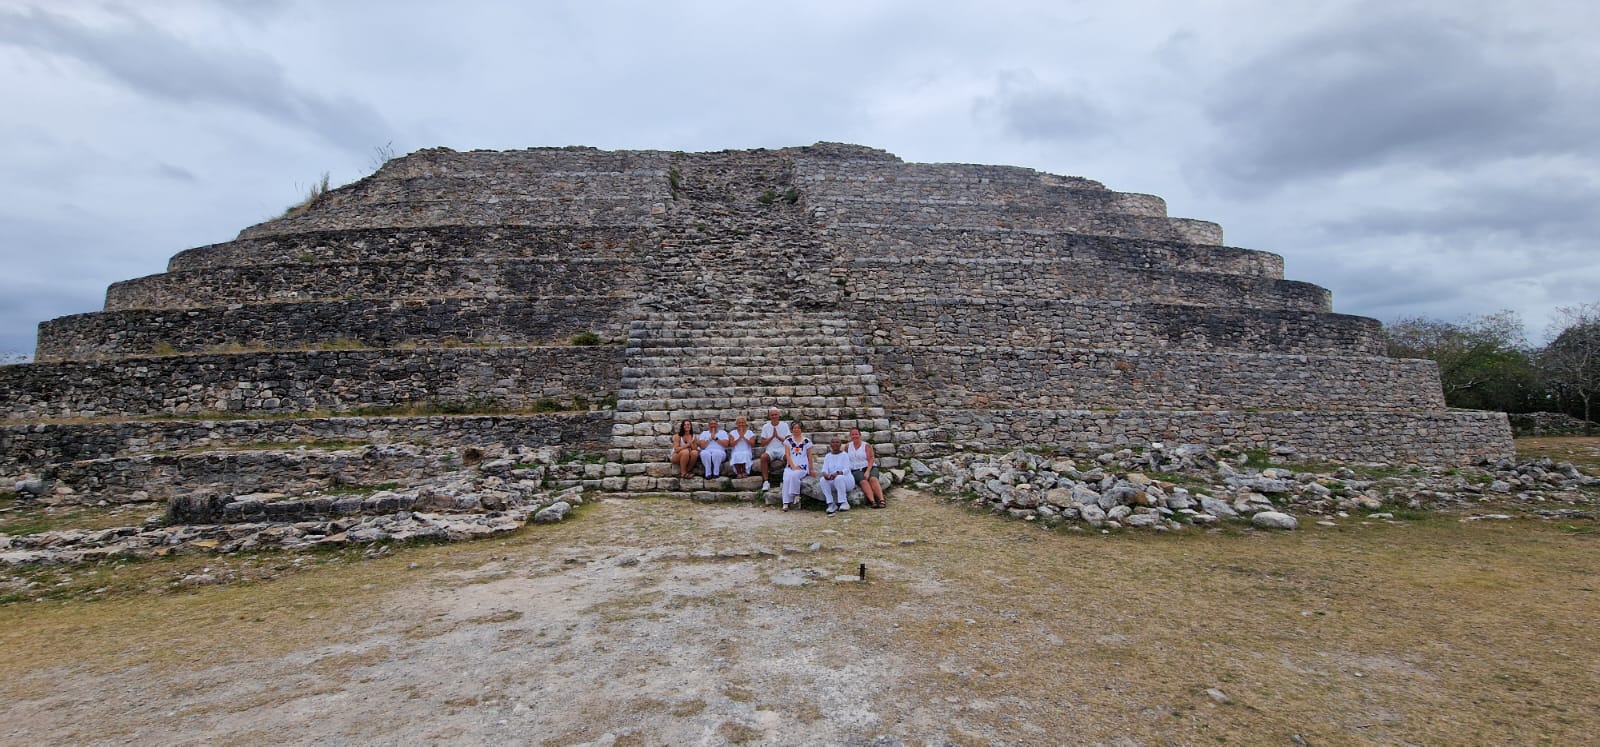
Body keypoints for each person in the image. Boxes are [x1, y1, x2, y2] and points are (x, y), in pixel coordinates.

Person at [847, 427, 886, 508]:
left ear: (860, 435)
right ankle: (872, 501)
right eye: (852, 434)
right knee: (863, 481)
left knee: (873, 479)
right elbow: (844, 458)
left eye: (856, 434)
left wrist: (868, 471)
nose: (855, 436)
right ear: (850, 436)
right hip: (855, 469)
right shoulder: (847, 446)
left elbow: (871, 459)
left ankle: (881, 500)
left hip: (869, 467)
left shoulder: (866, 445)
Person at [780, 421, 814, 511]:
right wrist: (793, 466)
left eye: (798, 428)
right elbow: (787, 455)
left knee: (794, 475)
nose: (796, 430)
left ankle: (796, 494)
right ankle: (785, 503)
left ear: (801, 429)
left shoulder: (807, 441)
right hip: (791, 465)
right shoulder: (788, 441)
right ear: (792, 429)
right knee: (786, 478)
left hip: (802, 466)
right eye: (794, 428)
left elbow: (809, 456)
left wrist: (811, 469)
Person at [819, 437, 856, 515]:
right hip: (833, 480)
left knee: (839, 478)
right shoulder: (828, 456)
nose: (835, 444)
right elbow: (824, 469)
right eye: (833, 442)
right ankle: (831, 504)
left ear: (840, 444)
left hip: (846, 480)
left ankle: (844, 502)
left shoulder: (845, 455)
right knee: (822, 480)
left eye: (837, 442)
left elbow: (847, 469)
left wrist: (837, 473)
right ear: (830, 445)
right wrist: (826, 474)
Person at [758, 407, 792, 489]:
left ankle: (784, 481)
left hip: (782, 449)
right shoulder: (766, 426)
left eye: (775, 414)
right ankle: (766, 482)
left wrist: (778, 437)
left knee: (789, 458)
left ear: (778, 415)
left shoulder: (784, 425)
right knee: (763, 457)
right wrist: (772, 437)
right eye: (772, 415)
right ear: (770, 416)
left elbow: (789, 441)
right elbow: (762, 443)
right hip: (770, 449)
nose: (774, 416)